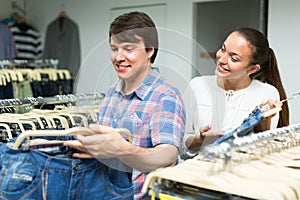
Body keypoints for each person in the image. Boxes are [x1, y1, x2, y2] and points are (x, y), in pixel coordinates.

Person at [64, 11, 186, 199]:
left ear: (150, 50)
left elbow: (167, 154)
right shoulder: (112, 92)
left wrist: (122, 150)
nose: (118, 57)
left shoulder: (166, 96)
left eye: (128, 49)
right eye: (114, 48)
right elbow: (107, 149)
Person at [181, 27, 289, 159]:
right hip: (196, 174)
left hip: (240, 175)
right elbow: (181, 145)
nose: (222, 59)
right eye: (223, 49)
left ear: (252, 69)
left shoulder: (267, 94)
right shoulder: (197, 86)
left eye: (234, 58)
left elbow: (264, 151)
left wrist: (263, 123)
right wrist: (199, 140)